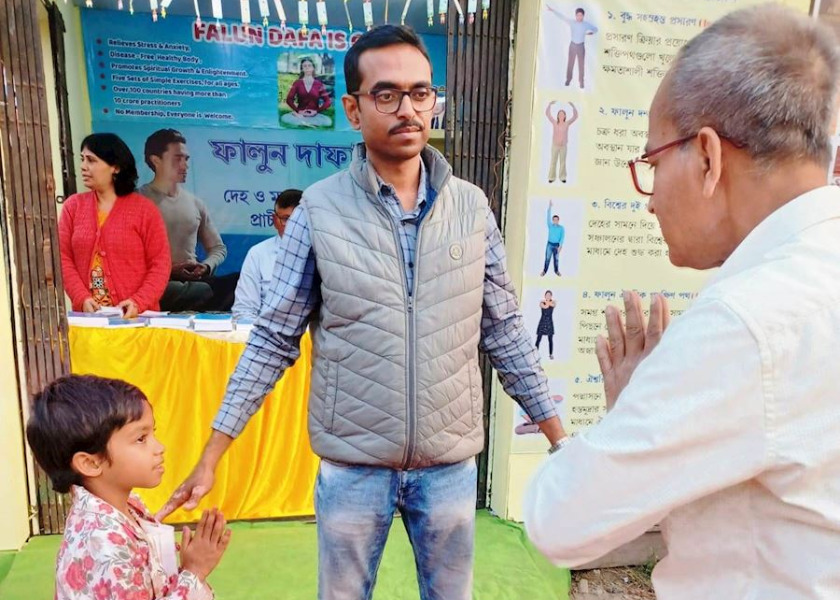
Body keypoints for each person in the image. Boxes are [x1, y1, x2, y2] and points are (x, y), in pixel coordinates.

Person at [159, 24, 564, 600]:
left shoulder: (471, 208)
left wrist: (558, 441)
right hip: (352, 468)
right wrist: (211, 455)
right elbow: (273, 341)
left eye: (421, 93)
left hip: (448, 467)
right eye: (387, 94)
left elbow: (503, 331)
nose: (408, 109)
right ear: (352, 108)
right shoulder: (318, 212)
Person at [524, 6, 840, 599]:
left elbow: (558, 520)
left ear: (708, 157)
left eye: (650, 161)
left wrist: (634, 409)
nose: (648, 200)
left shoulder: (748, 322)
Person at [25, 375, 231, 600]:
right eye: (141, 438)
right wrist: (195, 571)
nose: (159, 448)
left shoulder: (123, 507)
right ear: (91, 463)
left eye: (153, 433)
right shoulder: (103, 541)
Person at [58, 133, 170, 317]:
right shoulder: (73, 206)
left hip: (136, 322)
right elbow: (63, 258)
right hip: (89, 322)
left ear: (115, 167)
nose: (83, 166)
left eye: (91, 160)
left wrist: (138, 302)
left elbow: (160, 265)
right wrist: (81, 297)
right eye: (82, 159)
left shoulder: (144, 210)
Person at [140, 129, 238, 312]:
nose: (184, 165)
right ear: (156, 160)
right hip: (158, 282)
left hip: (194, 280)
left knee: (238, 282)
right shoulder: (137, 200)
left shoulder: (195, 203)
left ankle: (199, 295)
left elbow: (218, 248)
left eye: (186, 159)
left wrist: (206, 267)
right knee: (179, 290)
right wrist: (169, 270)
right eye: (177, 158)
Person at [231, 189, 302, 321]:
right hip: (268, 334)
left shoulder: (322, 252)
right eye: (286, 219)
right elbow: (244, 311)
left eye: (298, 220)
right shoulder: (258, 254)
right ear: (275, 220)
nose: (293, 226)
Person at [547, 6, 598, 88]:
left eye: (581, 15)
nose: (579, 17)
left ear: (583, 16)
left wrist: (591, 33)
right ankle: (568, 79)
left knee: (581, 65)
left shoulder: (586, 24)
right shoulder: (572, 22)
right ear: (575, 15)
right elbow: (562, 17)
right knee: (570, 63)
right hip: (572, 45)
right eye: (578, 15)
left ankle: (581, 82)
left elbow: (595, 29)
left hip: (581, 46)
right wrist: (553, 11)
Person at [282, 57, 333, 128]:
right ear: (302, 69)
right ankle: (307, 123)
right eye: (304, 66)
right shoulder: (297, 83)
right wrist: (298, 111)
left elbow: (328, 101)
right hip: (300, 114)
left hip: (314, 114)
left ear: (313, 68)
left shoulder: (318, 84)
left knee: (328, 121)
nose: (307, 68)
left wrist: (317, 111)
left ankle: (304, 123)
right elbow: (289, 99)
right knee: (285, 118)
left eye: (309, 66)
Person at [545, 101, 578, 183]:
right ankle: (551, 177)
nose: (561, 115)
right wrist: (549, 105)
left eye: (562, 114)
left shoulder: (567, 123)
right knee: (553, 161)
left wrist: (573, 106)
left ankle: (562, 177)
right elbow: (548, 115)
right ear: (558, 116)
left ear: (565, 116)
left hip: (563, 146)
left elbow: (575, 117)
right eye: (559, 114)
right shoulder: (554, 123)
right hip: (555, 145)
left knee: (563, 162)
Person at [541, 200, 565, 276]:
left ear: (558, 220)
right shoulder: (550, 226)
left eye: (556, 220)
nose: (555, 221)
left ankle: (556, 271)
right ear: (552, 220)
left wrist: (560, 246)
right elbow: (548, 215)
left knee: (556, 259)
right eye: (554, 220)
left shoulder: (561, 228)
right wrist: (550, 206)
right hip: (550, 244)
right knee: (547, 258)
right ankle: (544, 271)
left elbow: (562, 237)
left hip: (557, 245)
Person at [535, 290, 555, 359]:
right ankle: (535, 353)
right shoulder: (542, 302)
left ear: (551, 296)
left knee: (550, 339)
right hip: (543, 321)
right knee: (538, 338)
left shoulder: (553, 302)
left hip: (549, 322)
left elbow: (552, 305)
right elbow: (545, 306)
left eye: (549, 295)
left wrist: (548, 302)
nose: (548, 296)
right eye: (547, 295)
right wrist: (547, 302)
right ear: (545, 296)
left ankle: (551, 354)